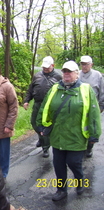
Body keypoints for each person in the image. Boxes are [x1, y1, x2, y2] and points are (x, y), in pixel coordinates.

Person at [36, 60, 101, 201]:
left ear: (77, 74)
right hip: (58, 136)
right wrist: (41, 125)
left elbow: (94, 113)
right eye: (64, 71)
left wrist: (94, 134)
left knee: (73, 162)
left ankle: (80, 180)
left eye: (70, 71)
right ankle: (61, 190)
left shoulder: (85, 89)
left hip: (76, 136)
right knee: (58, 165)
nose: (66, 74)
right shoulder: (55, 89)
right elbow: (44, 107)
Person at [23, 56, 62, 158]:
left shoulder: (58, 77)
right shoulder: (37, 76)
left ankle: (45, 147)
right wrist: (26, 101)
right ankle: (41, 138)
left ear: (53, 66)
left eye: (47, 67)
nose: (45, 69)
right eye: (43, 67)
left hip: (50, 106)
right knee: (34, 123)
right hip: (37, 104)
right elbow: (30, 90)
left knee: (46, 126)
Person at [79, 55, 104, 158]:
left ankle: (89, 148)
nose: (84, 66)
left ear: (91, 65)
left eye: (86, 64)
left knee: (92, 128)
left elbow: (102, 91)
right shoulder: (77, 74)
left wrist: (102, 105)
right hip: (79, 107)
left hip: (93, 107)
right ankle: (81, 147)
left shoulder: (97, 75)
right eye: (82, 64)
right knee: (80, 128)